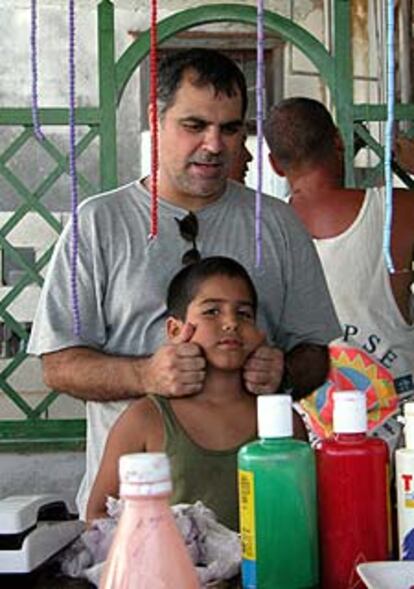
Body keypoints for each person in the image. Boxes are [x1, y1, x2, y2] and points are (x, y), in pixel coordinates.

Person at [27, 50, 340, 519]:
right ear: (157, 119)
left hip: (261, 513)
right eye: (194, 125)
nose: (215, 145)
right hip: (133, 516)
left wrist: (285, 374)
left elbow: (317, 352)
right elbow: (58, 366)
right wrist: (145, 375)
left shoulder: (276, 223)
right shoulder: (98, 224)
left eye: (230, 129)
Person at [86, 256, 308, 528]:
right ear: (175, 329)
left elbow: (304, 516)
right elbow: (98, 516)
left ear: (258, 332)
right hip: (169, 570)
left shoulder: (281, 422)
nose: (230, 323)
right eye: (212, 311)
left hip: (269, 570)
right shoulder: (145, 420)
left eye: (244, 314)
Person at [264, 97, 414, 449]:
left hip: (305, 441)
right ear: (339, 141)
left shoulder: (266, 233)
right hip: (400, 441)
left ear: (274, 165)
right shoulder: (398, 210)